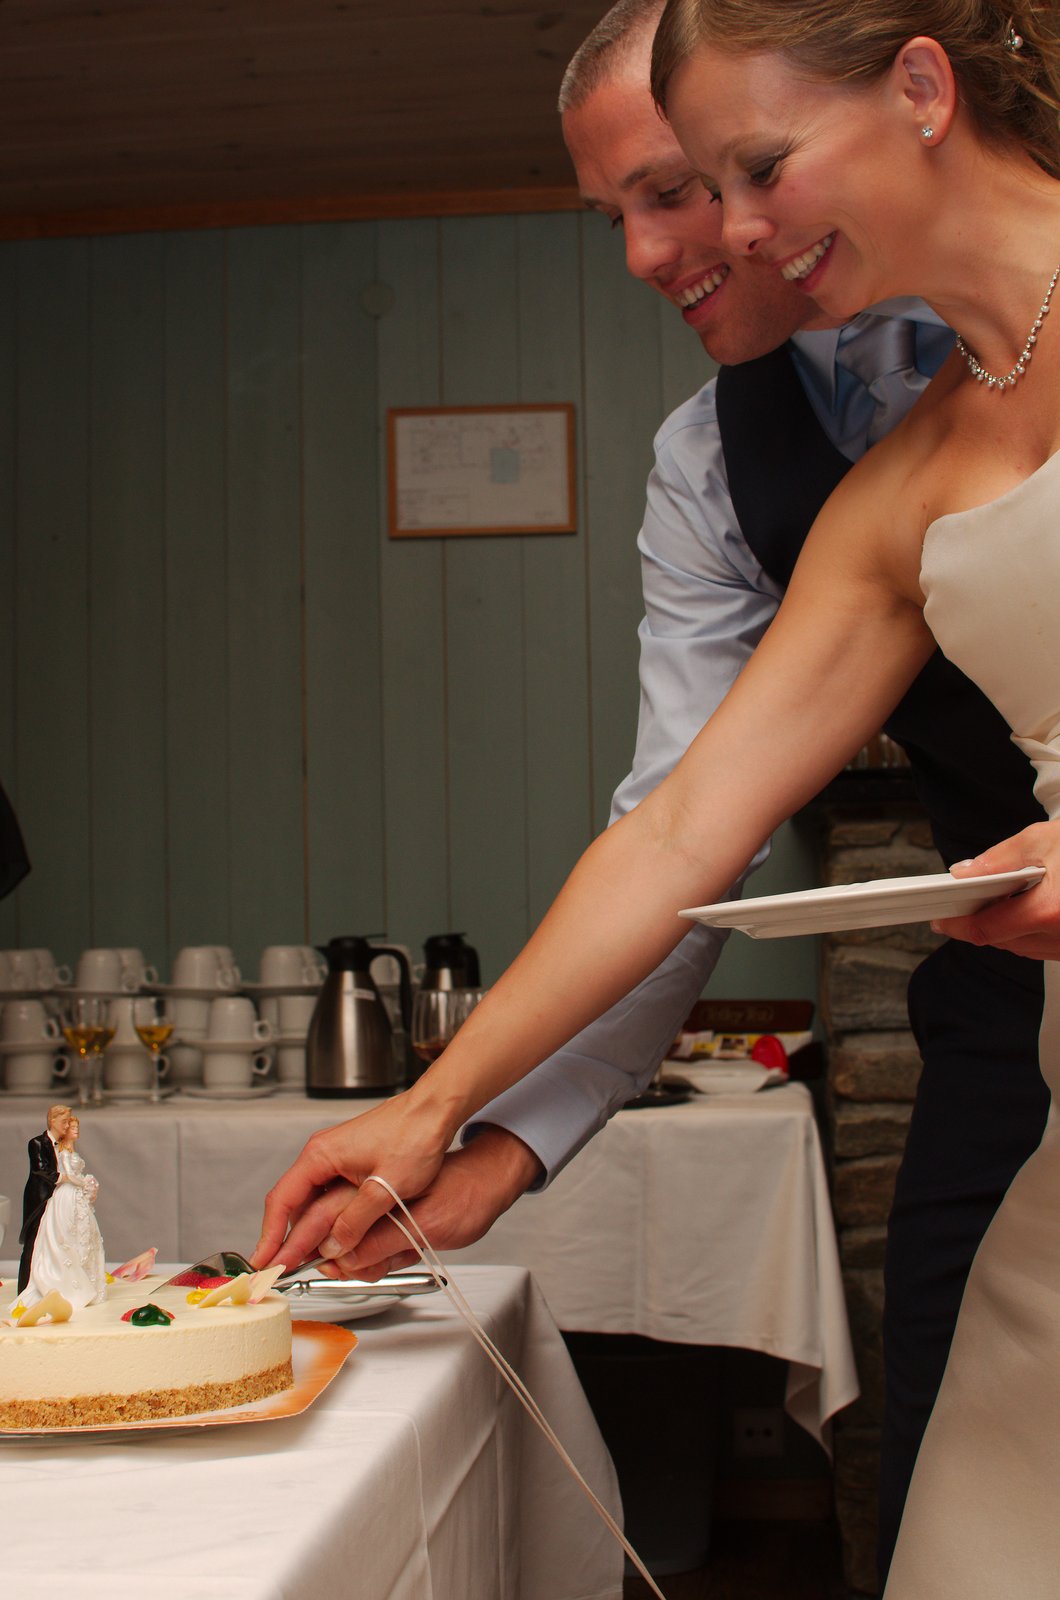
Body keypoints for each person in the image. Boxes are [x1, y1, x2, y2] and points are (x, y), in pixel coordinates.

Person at [253, 5, 1054, 1584]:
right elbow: (682, 829)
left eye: (738, 172)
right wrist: (435, 1113)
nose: (717, 235)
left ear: (920, 86)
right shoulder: (899, 475)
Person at [19, 1113, 106, 1312]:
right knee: (53, 1238)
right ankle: (38, 1285)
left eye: (73, 1126)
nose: (71, 1129)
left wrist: (87, 1185)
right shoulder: (44, 1145)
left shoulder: (64, 1146)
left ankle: (82, 1280)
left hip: (73, 1194)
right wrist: (80, 1181)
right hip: (56, 1195)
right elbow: (52, 1172)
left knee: (82, 1234)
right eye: (68, 1125)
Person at [17, 1102, 71, 1294]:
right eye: (64, 1122)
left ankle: (48, 1285)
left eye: (68, 1122)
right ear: (52, 1121)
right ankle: (24, 1288)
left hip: (58, 1199)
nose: (67, 1126)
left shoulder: (64, 1145)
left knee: (54, 1242)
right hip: (40, 1198)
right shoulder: (37, 1143)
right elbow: (39, 1169)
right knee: (32, 1243)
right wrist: (63, 1177)